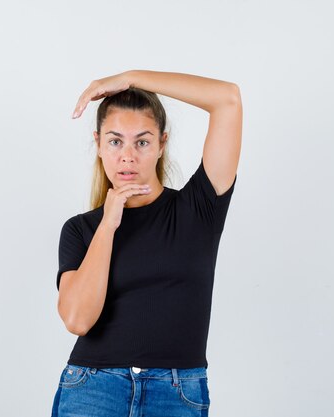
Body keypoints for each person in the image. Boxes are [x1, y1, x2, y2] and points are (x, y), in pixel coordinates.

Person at [51, 70, 242, 416]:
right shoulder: (81, 230)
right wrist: (108, 224)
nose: (128, 156)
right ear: (98, 144)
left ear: (161, 144)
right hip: (93, 389)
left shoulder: (197, 209)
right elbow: (78, 319)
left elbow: (227, 99)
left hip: (177, 393)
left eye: (141, 141)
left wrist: (131, 78)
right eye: (115, 141)